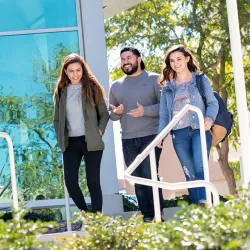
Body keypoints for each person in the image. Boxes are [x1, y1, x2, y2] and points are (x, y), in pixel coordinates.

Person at [109, 47, 165, 222]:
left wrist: (145, 111)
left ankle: (159, 212)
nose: (125, 62)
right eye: (122, 59)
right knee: (137, 179)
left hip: (151, 136)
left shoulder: (154, 79)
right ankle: (147, 215)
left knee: (149, 174)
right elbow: (112, 115)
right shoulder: (116, 86)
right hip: (127, 138)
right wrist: (117, 112)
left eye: (128, 58)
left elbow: (165, 107)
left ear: (138, 59)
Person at [158, 45, 219, 205]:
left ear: (187, 59)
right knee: (189, 173)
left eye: (179, 59)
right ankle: (201, 209)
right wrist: (161, 135)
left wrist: (209, 119)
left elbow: (212, 103)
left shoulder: (200, 80)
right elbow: (164, 116)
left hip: (199, 129)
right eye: (171, 61)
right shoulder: (168, 88)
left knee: (200, 168)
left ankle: (205, 204)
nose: (175, 63)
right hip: (179, 134)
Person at [53, 53, 109, 213]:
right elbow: (57, 119)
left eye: (78, 70)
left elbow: (104, 114)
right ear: (65, 72)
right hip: (70, 143)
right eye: (71, 71)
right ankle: (86, 215)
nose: (75, 74)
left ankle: (97, 218)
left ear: (83, 70)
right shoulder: (61, 92)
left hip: (91, 141)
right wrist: (60, 137)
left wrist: (99, 130)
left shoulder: (92, 88)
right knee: (70, 181)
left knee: (93, 181)